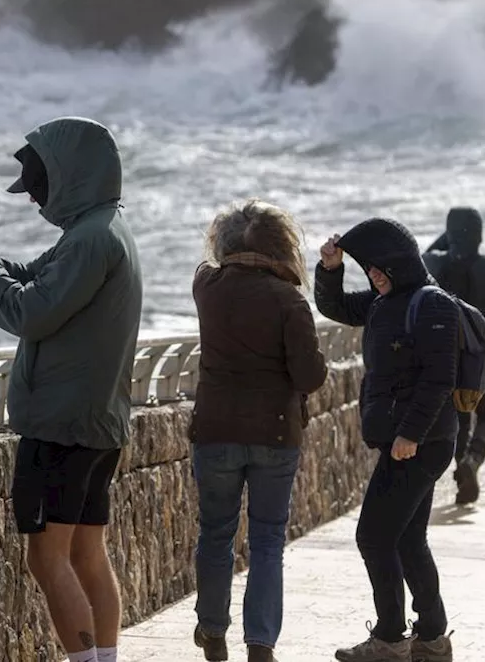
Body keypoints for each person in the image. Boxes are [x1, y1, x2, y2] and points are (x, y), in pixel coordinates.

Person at [0, 116, 143, 662]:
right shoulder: (101, 231)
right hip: (97, 424)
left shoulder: (88, 242)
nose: (33, 199)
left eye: (38, 187)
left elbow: (27, 310)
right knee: (86, 552)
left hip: (62, 426)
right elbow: (33, 278)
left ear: (69, 177)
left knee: (46, 558)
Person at [189, 200, 330, 662]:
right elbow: (309, 377)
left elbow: (209, 268)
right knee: (268, 540)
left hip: (215, 432)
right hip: (275, 435)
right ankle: (261, 642)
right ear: (281, 247)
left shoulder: (206, 286)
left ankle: (212, 628)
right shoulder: (289, 300)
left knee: (216, 533)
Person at [314, 218, 457, 662]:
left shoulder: (430, 304)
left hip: (420, 442)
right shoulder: (381, 303)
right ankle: (432, 638)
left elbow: (439, 379)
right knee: (407, 539)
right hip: (406, 439)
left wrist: (410, 434)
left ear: (400, 262)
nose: (375, 274)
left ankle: (392, 638)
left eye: (381, 267)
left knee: (374, 536)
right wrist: (331, 267)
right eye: (368, 267)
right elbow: (334, 306)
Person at [422, 207, 485, 505]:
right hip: (482, 362)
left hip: (442, 360)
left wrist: (446, 241)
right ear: (480, 235)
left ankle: (460, 465)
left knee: (456, 419)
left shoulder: (433, 264)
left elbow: (415, 268)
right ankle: (473, 460)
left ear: (448, 233)